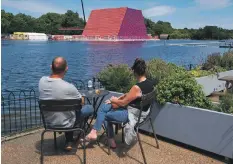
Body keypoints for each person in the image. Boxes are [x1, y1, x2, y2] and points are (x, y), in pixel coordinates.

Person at [85, 58, 154, 148]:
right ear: (144, 70)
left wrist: (113, 100)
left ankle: (109, 139)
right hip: (143, 114)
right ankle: (94, 132)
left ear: (135, 72)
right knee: (105, 107)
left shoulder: (137, 87)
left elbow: (123, 104)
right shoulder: (150, 84)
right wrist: (118, 98)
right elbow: (130, 96)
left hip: (132, 116)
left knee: (104, 114)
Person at [39, 56, 94, 151]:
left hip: (50, 123)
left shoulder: (41, 81)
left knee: (67, 112)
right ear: (66, 69)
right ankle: (76, 135)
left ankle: (69, 140)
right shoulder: (69, 87)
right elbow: (81, 102)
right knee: (89, 108)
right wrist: (82, 97)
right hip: (67, 122)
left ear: (51, 67)